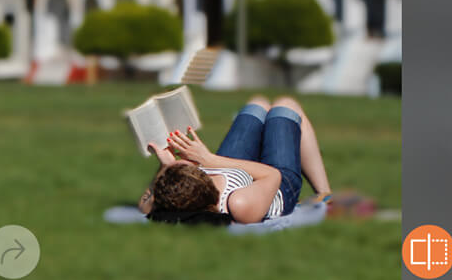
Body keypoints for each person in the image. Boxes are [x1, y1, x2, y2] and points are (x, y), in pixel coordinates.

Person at [138, 96, 331, 226]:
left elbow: (146, 202)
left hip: (227, 170)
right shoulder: (239, 204)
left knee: (257, 104)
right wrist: (210, 159)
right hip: (276, 186)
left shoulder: (171, 198)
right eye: (189, 165)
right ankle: (324, 192)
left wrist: (165, 165)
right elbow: (272, 175)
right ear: (203, 177)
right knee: (286, 107)